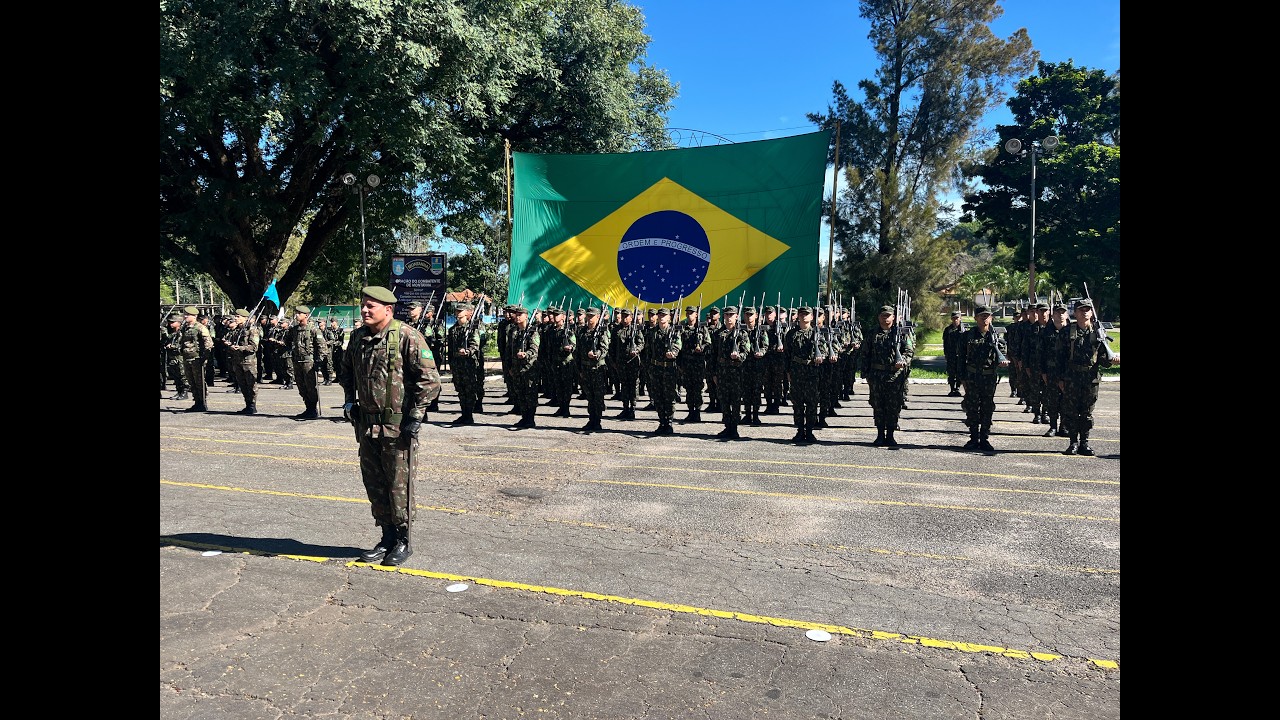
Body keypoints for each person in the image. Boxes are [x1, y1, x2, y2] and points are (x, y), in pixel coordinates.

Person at [338, 286, 442, 567]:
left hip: (397, 429)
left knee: (399, 486)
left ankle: (403, 540)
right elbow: (345, 371)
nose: (364, 310)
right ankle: (386, 537)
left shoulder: (407, 336)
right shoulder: (358, 337)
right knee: (375, 484)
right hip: (367, 427)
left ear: (388, 309)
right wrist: (349, 401)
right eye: (363, 305)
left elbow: (430, 381)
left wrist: (415, 417)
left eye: (371, 306)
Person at [1056, 299, 1119, 456]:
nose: (1084, 312)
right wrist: (1059, 379)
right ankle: (1073, 443)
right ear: (1075, 313)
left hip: (1090, 378)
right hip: (1071, 378)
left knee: (1087, 413)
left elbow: (1103, 359)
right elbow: (1059, 357)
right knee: (1071, 412)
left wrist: (1112, 360)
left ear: (1091, 312)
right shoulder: (1067, 332)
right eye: (1081, 309)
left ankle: (1084, 443)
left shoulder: (1098, 333)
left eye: (1087, 309)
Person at [859, 305, 914, 447]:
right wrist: (865, 374)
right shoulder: (872, 334)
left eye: (888, 315)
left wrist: (903, 362)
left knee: (893, 406)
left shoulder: (901, 333)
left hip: (895, 376)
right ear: (879, 317)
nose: (886, 318)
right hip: (877, 375)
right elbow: (865, 354)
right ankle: (879, 435)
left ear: (894, 317)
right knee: (878, 405)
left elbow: (909, 352)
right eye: (883, 315)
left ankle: (890, 435)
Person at [957, 306, 1009, 451]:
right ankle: (973, 438)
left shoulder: (996, 337)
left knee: (987, 407)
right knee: (972, 408)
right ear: (976, 318)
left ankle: (984, 437)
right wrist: (962, 378)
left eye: (987, 316)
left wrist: (1003, 361)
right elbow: (961, 359)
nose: (985, 319)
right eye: (982, 316)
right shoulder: (967, 336)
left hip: (989, 377)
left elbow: (1003, 355)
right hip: (972, 377)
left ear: (991, 318)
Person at [783, 306, 821, 443]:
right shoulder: (791, 334)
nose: (804, 317)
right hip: (796, 371)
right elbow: (786, 355)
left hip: (812, 372)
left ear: (812, 317)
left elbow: (825, 351)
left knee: (812, 403)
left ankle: (810, 431)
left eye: (807, 314)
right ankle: (800, 430)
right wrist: (787, 372)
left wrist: (820, 356)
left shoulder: (817, 333)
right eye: (802, 314)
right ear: (797, 317)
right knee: (797, 403)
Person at [712, 306, 751, 439]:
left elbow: (746, 351)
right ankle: (727, 426)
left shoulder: (742, 334)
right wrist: (714, 373)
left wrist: (738, 356)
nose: (728, 318)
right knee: (723, 400)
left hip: (736, 371)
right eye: (726, 315)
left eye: (731, 315)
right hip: (722, 371)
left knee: (735, 401)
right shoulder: (718, 334)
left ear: (736, 317)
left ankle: (734, 428)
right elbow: (713, 355)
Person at [285, 306, 329, 419]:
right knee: (301, 386)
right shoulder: (294, 329)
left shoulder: (314, 329)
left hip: (309, 362)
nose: (296, 315)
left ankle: (313, 409)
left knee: (311, 387)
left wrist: (319, 361)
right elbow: (287, 341)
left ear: (306, 315)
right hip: (297, 361)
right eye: (296, 313)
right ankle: (308, 408)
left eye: (299, 313)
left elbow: (323, 347)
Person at [504, 305, 541, 428]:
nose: (517, 317)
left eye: (520, 315)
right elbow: (508, 350)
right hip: (516, 368)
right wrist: (509, 366)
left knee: (530, 394)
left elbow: (534, 349)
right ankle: (524, 417)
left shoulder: (532, 332)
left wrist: (526, 354)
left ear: (526, 316)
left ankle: (530, 419)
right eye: (517, 314)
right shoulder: (513, 331)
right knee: (520, 393)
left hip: (529, 369)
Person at [447, 303, 484, 425]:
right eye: (457, 312)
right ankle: (464, 414)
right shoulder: (452, 329)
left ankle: (469, 415)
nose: (458, 314)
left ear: (467, 314)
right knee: (461, 390)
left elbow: (475, 344)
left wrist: (468, 351)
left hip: (469, 365)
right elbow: (451, 349)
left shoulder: (473, 328)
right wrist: (451, 364)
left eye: (461, 312)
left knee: (469, 390)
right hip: (457, 366)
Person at [648, 307, 682, 434]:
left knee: (669, 397)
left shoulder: (674, 331)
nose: (662, 317)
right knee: (658, 396)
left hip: (669, 368)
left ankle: (669, 423)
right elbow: (648, 351)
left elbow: (677, 345)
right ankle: (661, 421)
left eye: (664, 315)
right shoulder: (652, 332)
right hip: (656, 368)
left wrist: (673, 353)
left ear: (669, 318)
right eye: (660, 315)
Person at [1040, 300, 1071, 438]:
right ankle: (1052, 426)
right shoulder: (1046, 332)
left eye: (1063, 312)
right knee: (1052, 399)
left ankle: (1063, 426)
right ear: (1053, 315)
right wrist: (1043, 372)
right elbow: (1041, 353)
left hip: (1068, 372)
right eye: (1058, 312)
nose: (1061, 315)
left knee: (1066, 400)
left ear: (1067, 314)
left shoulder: (1071, 331)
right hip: (1051, 372)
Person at [578, 306, 611, 432]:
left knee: (597, 397)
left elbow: (604, 348)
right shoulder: (582, 331)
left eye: (592, 316)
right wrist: (579, 368)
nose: (590, 318)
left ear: (598, 317)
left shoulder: (602, 331)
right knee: (589, 396)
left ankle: (597, 421)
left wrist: (597, 354)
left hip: (597, 368)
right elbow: (579, 351)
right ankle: (591, 419)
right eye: (589, 315)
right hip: (586, 368)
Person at [676, 305, 711, 423]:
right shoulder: (683, 328)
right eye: (688, 313)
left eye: (692, 313)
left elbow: (708, 343)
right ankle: (690, 411)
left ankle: (697, 412)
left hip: (698, 363)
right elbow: (678, 346)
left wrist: (701, 348)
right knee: (688, 388)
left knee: (697, 388)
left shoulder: (702, 328)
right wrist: (679, 363)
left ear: (696, 314)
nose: (690, 315)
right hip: (686, 362)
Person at [224, 309, 262, 413]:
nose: (235, 318)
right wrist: (230, 345)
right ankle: (247, 404)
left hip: (248, 361)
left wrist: (241, 348)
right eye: (235, 316)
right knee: (242, 383)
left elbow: (254, 347)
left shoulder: (252, 330)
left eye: (238, 316)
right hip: (237, 360)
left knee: (251, 384)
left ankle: (252, 406)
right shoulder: (236, 330)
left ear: (245, 318)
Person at [179, 306, 214, 411]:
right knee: (191, 382)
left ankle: (202, 403)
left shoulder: (200, 327)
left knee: (199, 382)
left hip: (197, 358)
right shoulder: (185, 327)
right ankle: (197, 402)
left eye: (187, 315)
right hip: (187, 358)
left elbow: (209, 344)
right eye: (185, 314)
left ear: (194, 316)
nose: (185, 316)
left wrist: (204, 358)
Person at [611, 308, 645, 419]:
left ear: (631, 318)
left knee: (633, 385)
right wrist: (613, 361)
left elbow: (641, 343)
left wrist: (636, 350)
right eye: (623, 316)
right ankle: (625, 408)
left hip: (633, 362)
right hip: (621, 362)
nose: (625, 318)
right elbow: (612, 346)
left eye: (627, 316)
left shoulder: (635, 329)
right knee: (624, 386)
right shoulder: (616, 329)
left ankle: (632, 408)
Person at [162, 313, 190, 400]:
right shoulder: (173, 333)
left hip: (180, 357)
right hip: (173, 357)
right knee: (176, 375)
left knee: (182, 375)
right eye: (170, 322)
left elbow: (183, 345)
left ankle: (184, 392)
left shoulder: (182, 333)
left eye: (173, 322)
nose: (171, 324)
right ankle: (179, 391)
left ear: (179, 322)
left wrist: (173, 346)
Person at [942, 310, 966, 397]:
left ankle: (958, 388)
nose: (955, 320)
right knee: (951, 373)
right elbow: (945, 343)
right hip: (951, 354)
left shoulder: (963, 330)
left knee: (960, 372)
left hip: (961, 354)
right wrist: (946, 354)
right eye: (953, 318)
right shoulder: (948, 330)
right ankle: (952, 389)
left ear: (960, 318)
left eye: (957, 318)